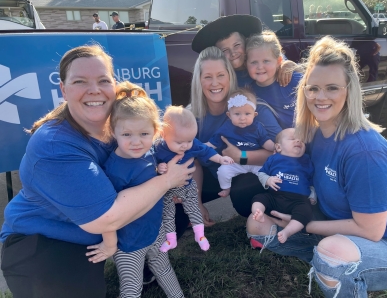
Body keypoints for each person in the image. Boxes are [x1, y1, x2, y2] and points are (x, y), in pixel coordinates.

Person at [0, 45, 193, 298]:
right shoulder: (54, 144)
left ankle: (142, 263)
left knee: (173, 212)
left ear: (114, 85)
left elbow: (155, 142)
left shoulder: (119, 124)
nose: (94, 90)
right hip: (44, 238)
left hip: (96, 232)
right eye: (80, 81)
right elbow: (106, 218)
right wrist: (167, 180)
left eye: (103, 80)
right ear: (64, 89)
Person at [246, 36, 387, 297]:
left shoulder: (365, 151)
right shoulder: (314, 135)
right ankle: (330, 264)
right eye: (313, 88)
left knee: (333, 255)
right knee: (257, 225)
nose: (320, 97)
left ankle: (336, 267)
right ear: (304, 90)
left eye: (332, 88)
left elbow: (371, 230)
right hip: (336, 223)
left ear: (349, 90)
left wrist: (303, 224)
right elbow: (283, 159)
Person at [87, 82, 184, 297]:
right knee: (132, 288)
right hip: (128, 243)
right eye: (127, 135)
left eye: (143, 134)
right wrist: (110, 244)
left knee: (164, 267)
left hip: (155, 231)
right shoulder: (113, 170)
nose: (136, 142)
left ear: (156, 131)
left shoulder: (150, 153)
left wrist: (162, 168)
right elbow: (107, 212)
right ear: (113, 132)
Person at [184, 46, 280, 236]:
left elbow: (280, 151)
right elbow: (191, 160)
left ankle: (270, 220)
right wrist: (195, 204)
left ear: (230, 77)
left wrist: (241, 156)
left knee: (244, 194)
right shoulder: (191, 115)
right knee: (179, 205)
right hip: (211, 174)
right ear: (199, 80)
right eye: (208, 77)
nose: (214, 83)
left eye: (220, 75)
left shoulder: (251, 108)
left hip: (249, 173)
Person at [154, 106, 233, 252]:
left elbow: (206, 151)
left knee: (193, 208)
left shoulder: (191, 143)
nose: (185, 146)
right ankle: (171, 240)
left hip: (187, 186)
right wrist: (159, 167)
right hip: (168, 190)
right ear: (163, 134)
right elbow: (151, 164)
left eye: (189, 140)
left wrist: (220, 159)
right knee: (168, 213)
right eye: (179, 142)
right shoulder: (158, 147)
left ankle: (200, 235)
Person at [191, 14, 295, 88]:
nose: (233, 53)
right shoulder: (222, 76)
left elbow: (282, 62)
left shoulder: (263, 55)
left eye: (236, 45)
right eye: (225, 50)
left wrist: (288, 65)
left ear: (246, 41)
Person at [206, 90, 275, 197]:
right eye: (237, 114)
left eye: (247, 114)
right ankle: (226, 188)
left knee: (267, 172)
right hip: (234, 163)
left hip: (255, 162)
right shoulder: (226, 128)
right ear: (229, 115)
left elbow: (265, 141)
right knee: (222, 171)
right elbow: (213, 142)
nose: (242, 118)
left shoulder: (257, 127)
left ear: (254, 115)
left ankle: (271, 186)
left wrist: (274, 147)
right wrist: (201, 147)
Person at [252, 128, 315, 244]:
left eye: (301, 140)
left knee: (306, 212)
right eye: (292, 139)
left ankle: (288, 231)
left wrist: (313, 195)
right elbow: (261, 173)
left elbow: (311, 181)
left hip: (299, 200)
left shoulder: (307, 160)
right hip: (275, 196)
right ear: (279, 147)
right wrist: (268, 180)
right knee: (259, 198)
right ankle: (258, 213)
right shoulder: (274, 159)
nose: (298, 141)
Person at [247, 30, 301, 129]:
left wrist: (299, 68)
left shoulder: (292, 78)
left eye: (266, 61)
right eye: (254, 62)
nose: (260, 67)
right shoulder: (249, 92)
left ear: (279, 61)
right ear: (246, 64)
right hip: (280, 141)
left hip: (309, 134)